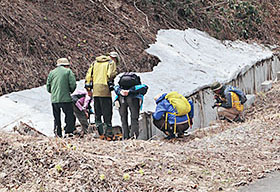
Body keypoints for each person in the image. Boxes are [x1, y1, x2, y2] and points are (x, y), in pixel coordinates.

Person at [84, 52, 118, 140]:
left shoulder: (94, 63)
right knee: (107, 113)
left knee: (98, 113)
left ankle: (100, 134)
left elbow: (88, 76)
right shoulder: (110, 63)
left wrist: (88, 89)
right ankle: (109, 135)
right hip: (105, 90)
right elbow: (110, 74)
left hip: (95, 90)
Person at [46, 58, 77, 138]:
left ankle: (57, 133)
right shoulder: (68, 72)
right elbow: (73, 84)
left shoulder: (52, 73)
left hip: (54, 99)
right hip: (65, 99)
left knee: (56, 117)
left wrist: (53, 93)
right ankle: (68, 133)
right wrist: (69, 91)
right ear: (66, 65)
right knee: (69, 116)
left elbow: (48, 87)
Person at [114, 72, 148, 140]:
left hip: (121, 98)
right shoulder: (136, 85)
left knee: (123, 119)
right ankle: (133, 137)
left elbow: (115, 88)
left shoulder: (120, 87)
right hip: (133, 98)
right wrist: (130, 91)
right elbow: (144, 88)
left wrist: (121, 91)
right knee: (134, 118)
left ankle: (125, 137)